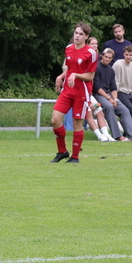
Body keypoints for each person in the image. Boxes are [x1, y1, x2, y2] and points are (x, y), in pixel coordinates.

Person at [51, 22, 97, 163]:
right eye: (76, 33)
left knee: (77, 124)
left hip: (81, 92)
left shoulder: (91, 53)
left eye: (81, 34)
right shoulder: (69, 49)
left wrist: (76, 75)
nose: (77, 36)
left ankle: (75, 157)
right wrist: (61, 76)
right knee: (55, 120)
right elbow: (69, 69)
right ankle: (62, 151)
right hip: (67, 90)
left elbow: (90, 76)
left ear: (86, 37)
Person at [92, 47, 132, 141]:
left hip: (109, 95)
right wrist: (109, 99)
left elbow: (113, 87)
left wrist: (115, 99)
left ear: (112, 59)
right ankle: (118, 135)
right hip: (98, 95)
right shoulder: (97, 67)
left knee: (125, 110)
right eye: (106, 57)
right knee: (109, 107)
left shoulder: (111, 70)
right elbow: (96, 87)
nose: (107, 59)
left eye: (109, 58)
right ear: (102, 56)